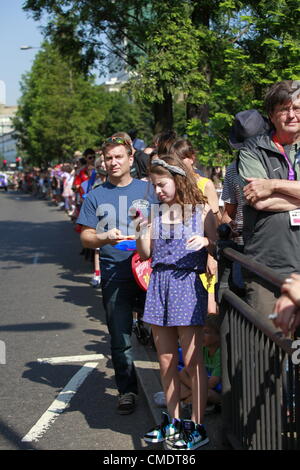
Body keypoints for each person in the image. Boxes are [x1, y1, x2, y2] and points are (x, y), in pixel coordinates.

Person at [135, 154, 217, 450]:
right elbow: (145, 253)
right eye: (154, 186)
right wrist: (141, 227)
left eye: (162, 184)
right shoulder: (156, 213)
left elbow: (219, 243)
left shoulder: (202, 211)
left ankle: (197, 426)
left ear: (178, 180)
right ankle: (173, 421)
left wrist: (208, 243)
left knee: (193, 361)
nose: (157, 191)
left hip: (187, 283)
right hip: (160, 283)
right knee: (166, 359)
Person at [76, 134, 152, 415]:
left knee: (162, 333)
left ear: (131, 159)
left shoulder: (148, 191)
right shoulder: (95, 194)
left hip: (148, 272)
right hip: (114, 273)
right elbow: (85, 237)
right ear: (103, 162)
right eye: (109, 158)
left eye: (119, 156)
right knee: (120, 337)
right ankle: (127, 389)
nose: (113, 162)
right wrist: (103, 237)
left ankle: (170, 387)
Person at [237, 80, 300, 327]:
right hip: (267, 269)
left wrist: (273, 185)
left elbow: (266, 193)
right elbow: (259, 201)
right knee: (268, 351)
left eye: (297, 107)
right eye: (284, 109)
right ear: (272, 115)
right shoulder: (252, 149)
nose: (292, 114)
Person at [169, 138, 220, 314]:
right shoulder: (173, 185)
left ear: (192, 158)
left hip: (204, 249)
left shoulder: (205, 184)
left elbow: (214, 221)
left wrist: (212, 257)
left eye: (182, 159)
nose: (179, 165)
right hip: (181, 253)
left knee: (209, 307)